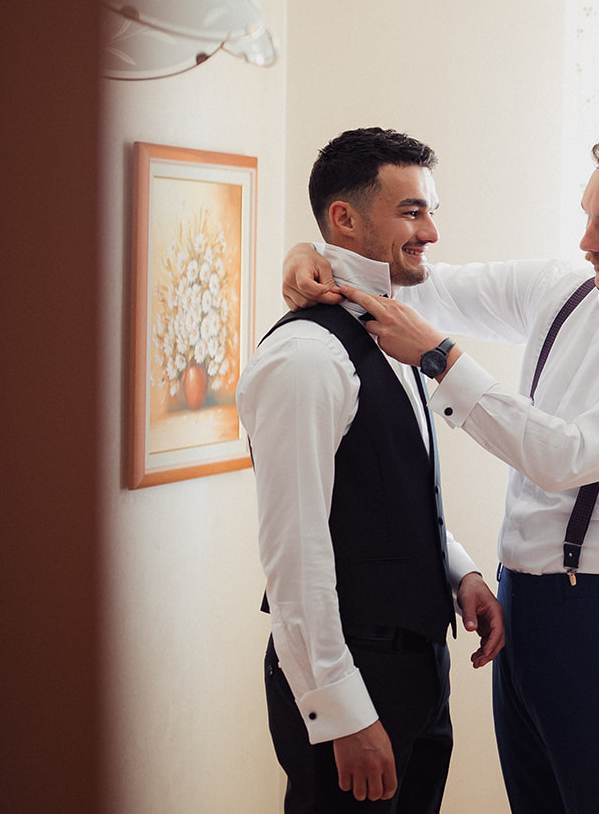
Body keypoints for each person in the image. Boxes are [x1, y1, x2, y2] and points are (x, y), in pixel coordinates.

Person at [282, 123, 599, 814]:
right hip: (518, 611)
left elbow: (565, 457)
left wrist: (441, 359)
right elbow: (415, 284)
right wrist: (310, 255)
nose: (586, 242)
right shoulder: (563, 286)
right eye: (587, 215)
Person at [238, 127, 505, 814]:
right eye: (412, 212)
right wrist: (341, 710)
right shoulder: (306, 358)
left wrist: (460, 572)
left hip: (419, 669)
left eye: (430, 210)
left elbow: (390, 491)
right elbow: (294, 549)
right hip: (352, 675)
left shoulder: (395, 329)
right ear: (345, 218)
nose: (432, 232)